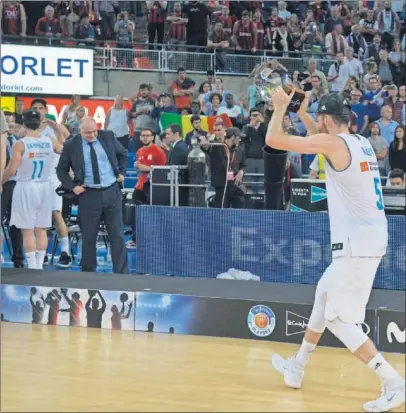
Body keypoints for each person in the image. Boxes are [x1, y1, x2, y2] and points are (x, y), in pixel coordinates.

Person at [266, 88, 405, 413]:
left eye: (319, 118)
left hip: (358, 243)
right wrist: (301, 112)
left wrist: (279, 109)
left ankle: (393, 382)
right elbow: (322, 140)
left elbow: (275, 140)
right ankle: (297, 367)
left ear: (327, 119)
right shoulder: (360, 142)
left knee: (339, 321)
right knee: (324, 293)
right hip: (368, 238)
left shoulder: (332, 143)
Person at [56, 117, 128, 274]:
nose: (92, 135)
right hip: (88, 195)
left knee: (117, 234)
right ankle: (88, 274)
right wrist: (73, 187)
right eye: (88, 133)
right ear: (80, 131)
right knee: (88, 236)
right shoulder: (71, 145)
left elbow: (123, 153)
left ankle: (122, 274)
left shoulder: (107, 136)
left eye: (94, 131)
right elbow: (61, 170)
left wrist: (121, 173)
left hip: (111, 191)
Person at [2, 110, 62, 270]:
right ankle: (40, 266)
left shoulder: (20, 144)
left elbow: (11, 169)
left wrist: (1, 180)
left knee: (27, 230)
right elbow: (64, 149)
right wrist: (57, 128)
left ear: (24, 123)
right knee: (41, 229)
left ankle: (32, 267)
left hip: (26, 186)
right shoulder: (49, 140)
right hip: (45, 186)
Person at [31, 98, 71, 268]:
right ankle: (42, 252)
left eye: (41, 108)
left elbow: (66, 141)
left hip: (53, 177)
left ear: (45, 109)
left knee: (56, 214)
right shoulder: (29, 129)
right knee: (38, 217)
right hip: (35, 178)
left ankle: (65, 252)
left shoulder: (53, 127)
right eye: (35, 108)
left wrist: (56, 126)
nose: (38, 110)